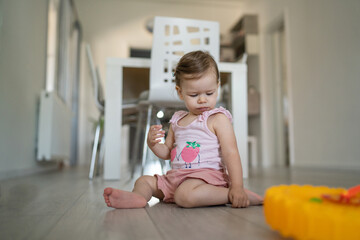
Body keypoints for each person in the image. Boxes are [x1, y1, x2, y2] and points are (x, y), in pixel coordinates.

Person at [103, 51, 263, 208]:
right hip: (176, 179)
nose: (202, 99)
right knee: (144, 181)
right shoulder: (177, 120)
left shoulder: (218, 119)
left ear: (217, 87)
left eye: (209, 93)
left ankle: (231, 194)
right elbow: (167, 152)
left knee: (184, 195)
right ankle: (137, 198)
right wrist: (153, 144)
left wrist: (237, 186)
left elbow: (231, 153)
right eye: (194, 95)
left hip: (205, 178)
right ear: (180, 92)